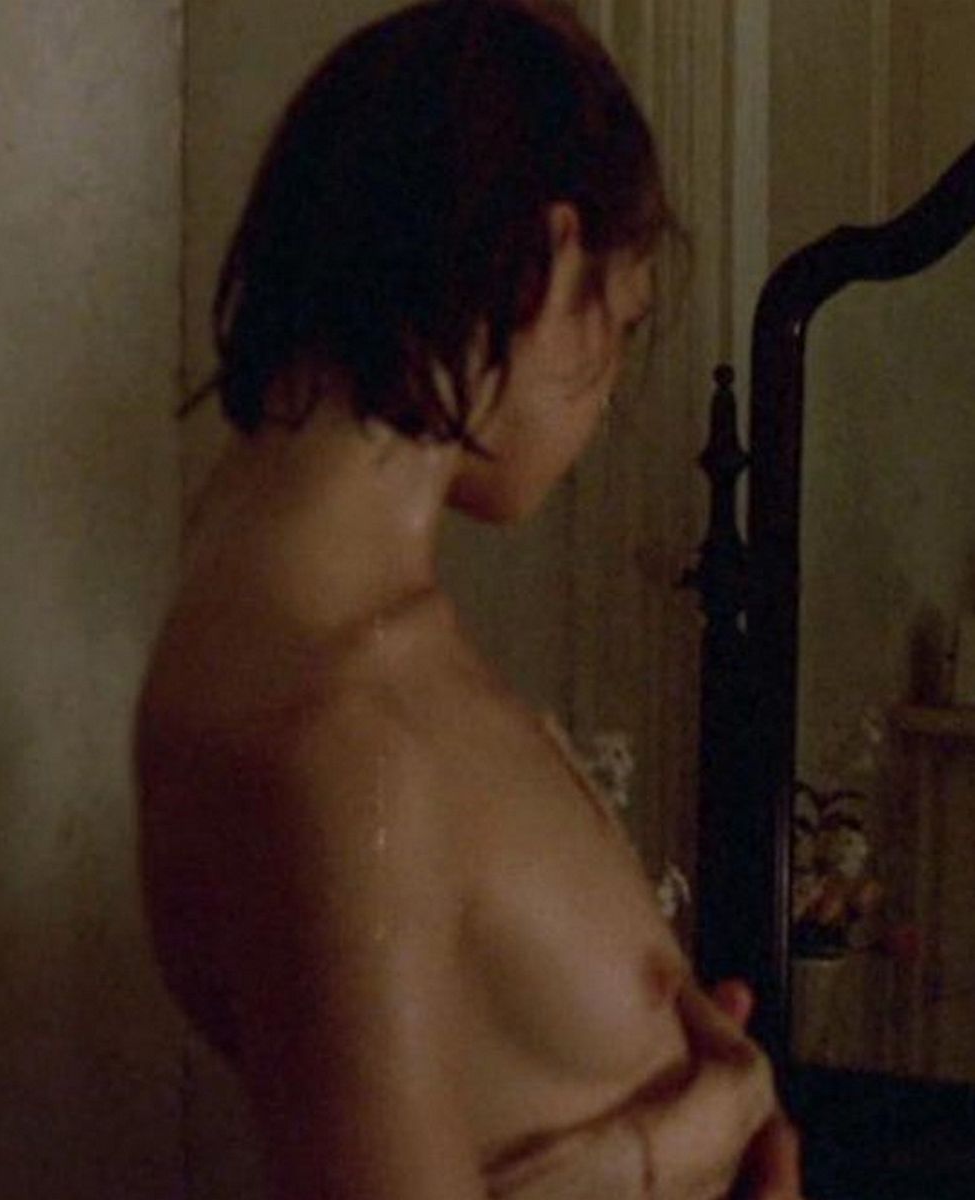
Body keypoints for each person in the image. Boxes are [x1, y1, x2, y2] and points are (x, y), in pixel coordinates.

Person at [136, 2, 802, 1197]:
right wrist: (680, 1144)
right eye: (624, 318)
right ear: (547, 265)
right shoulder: (342, 738)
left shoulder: (302, 620)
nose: (605, 397)